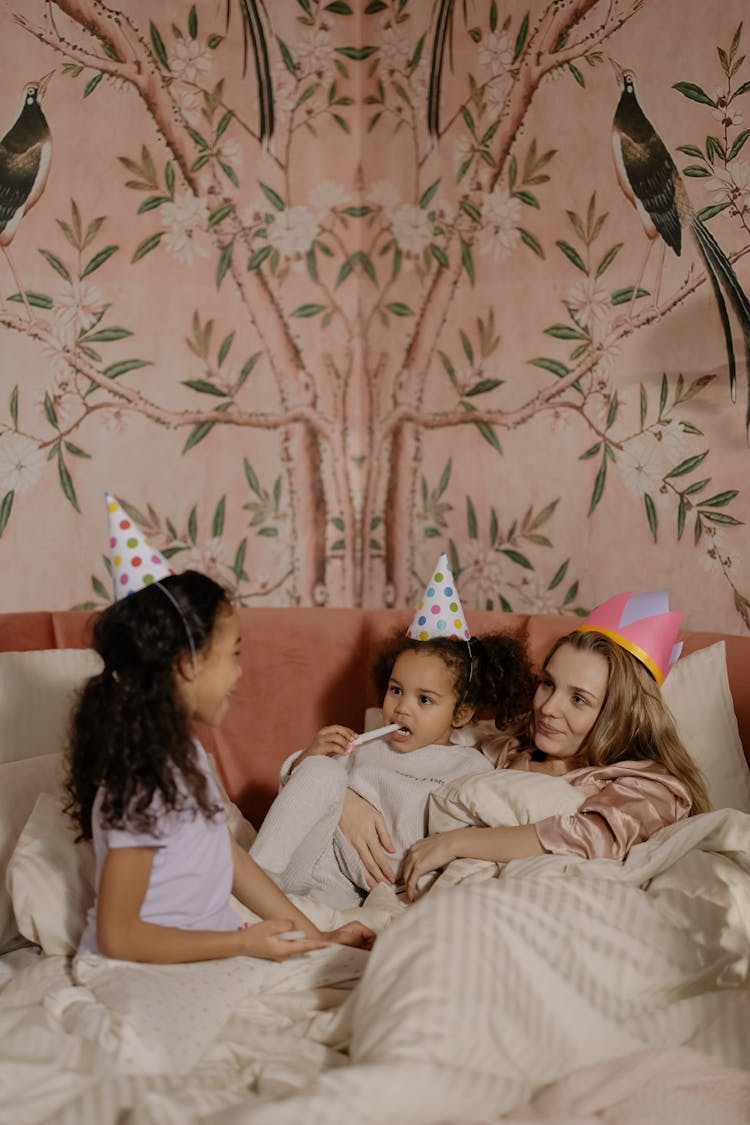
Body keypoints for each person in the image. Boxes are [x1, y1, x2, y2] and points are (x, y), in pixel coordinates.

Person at [66, 495, 373, 963]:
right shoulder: (141, 779)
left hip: (218, 945)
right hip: (150, 971)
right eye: (233, 653)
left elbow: (228, 859)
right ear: (189, 664)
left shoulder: (182, 754)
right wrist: (245, 943)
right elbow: (118, 936)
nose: (239, 672)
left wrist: (313, 940)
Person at [251, 552, 535, 909]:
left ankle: (276, 908)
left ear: (461, 713)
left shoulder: (469, 768)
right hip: (313, 862)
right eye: (396, 690)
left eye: (425, 700)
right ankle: (253, 879)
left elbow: (470, 839)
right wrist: (309, 757)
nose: (402, 707)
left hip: (367, 891)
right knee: (322, 768)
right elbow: (300, 801)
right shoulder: (366, 746)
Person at [401, 590, 711, 901]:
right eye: (548, 684)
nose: (548, 707)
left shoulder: (648, 788)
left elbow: (596, 839)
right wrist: (353, 799)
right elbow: (419, 763)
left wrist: (457, 843)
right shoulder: (505, 750)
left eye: (578, 699)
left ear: (619, 716)